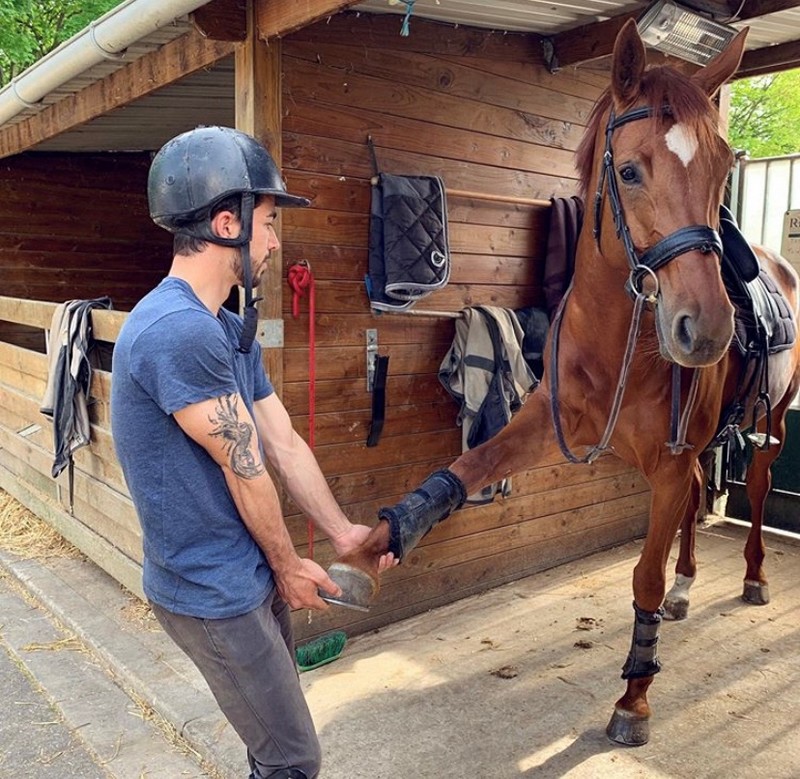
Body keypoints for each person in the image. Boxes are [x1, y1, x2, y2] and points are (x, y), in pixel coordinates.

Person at [111, 125, 394, 779]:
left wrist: (343, 531)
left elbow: (283, 441)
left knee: (272, 744)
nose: (273, 240)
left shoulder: (226, 328)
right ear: (226, 222)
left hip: (246, 573)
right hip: (211, 589)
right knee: (291, 756)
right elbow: (246, 469)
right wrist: (290, 564)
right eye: (267, 223)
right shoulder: (176, 329)